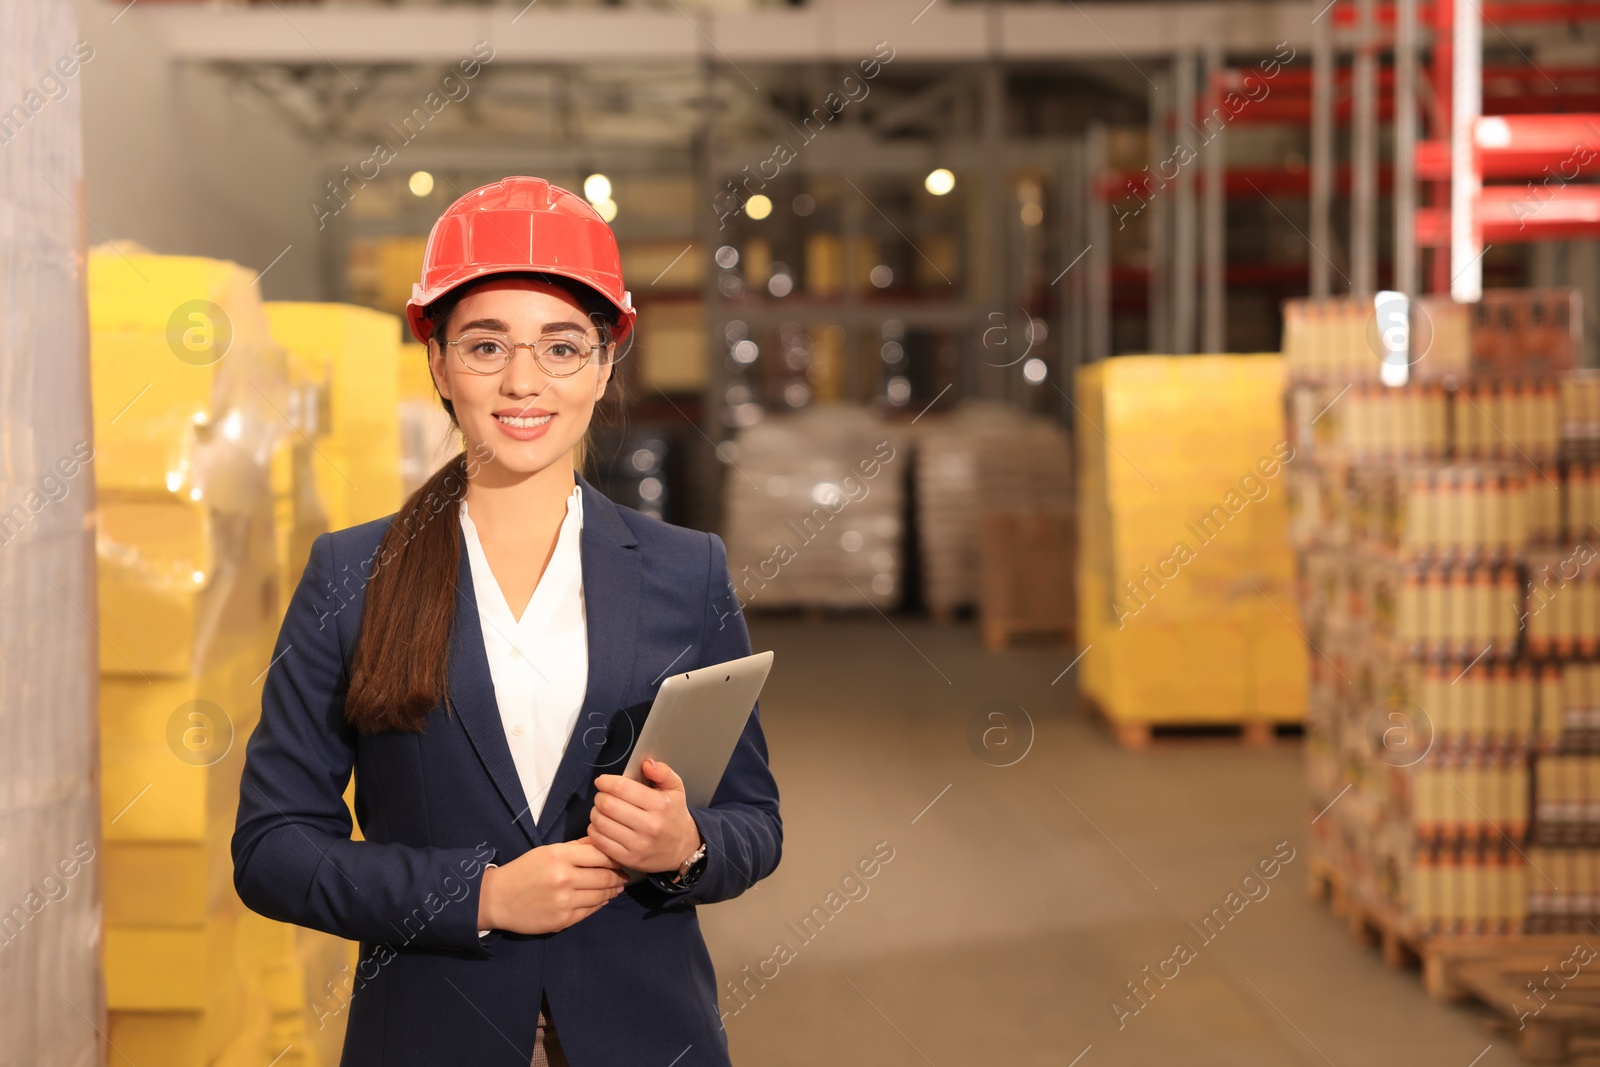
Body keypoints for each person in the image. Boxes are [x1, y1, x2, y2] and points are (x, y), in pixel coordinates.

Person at [232, 176, 783, 1067]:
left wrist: (686, 843)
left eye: (562, 347)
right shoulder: (354, 575)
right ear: (439, 361)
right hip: (428, 1032)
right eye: (487, 345)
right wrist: (479, 894)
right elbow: (273, 847)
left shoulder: (689, 571)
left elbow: (754, 821)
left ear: (606, 364)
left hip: (644, 1033)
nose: (523, 380)